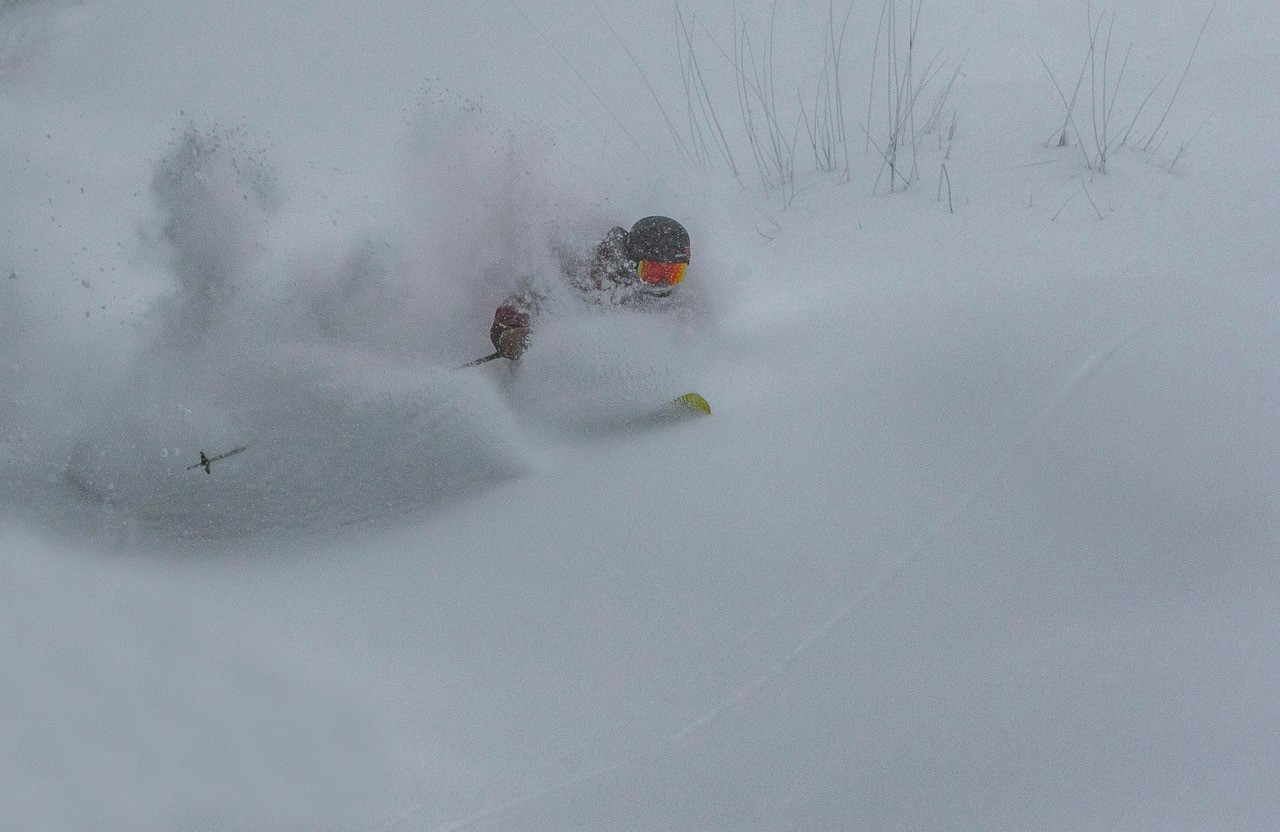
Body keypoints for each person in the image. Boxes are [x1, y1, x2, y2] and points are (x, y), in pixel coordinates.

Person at [488, 216, 691, 360]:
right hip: (567, 367)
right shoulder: (588, 271)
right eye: (652, 272)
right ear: (631, 261)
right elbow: (523, 299)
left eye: (674, 273)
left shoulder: (670, 298)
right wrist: (510, 332)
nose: (662, 283)